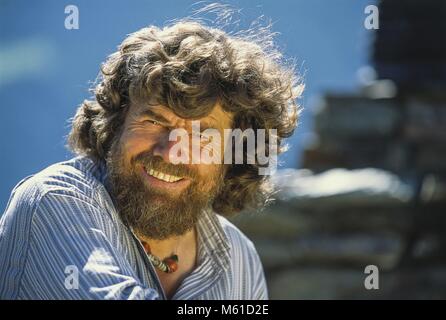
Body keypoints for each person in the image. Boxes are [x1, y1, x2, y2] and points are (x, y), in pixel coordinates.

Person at [0, 19, 301, 300]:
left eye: (201, 136)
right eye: (154, 122)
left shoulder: (238, 257)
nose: (171, 152)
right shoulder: (53, 201)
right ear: (115, 125)